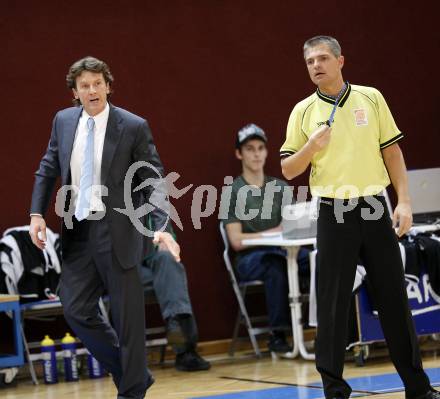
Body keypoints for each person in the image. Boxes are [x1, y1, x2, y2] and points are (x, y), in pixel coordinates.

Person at [280, 35, 439, 399]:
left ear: (340, 61)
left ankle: (417, 387)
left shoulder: (372, 97)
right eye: (309, 61)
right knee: (333, 304)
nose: (316, 66)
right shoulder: (302, 111)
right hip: (333, 211)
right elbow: (289, 169)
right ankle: (335, 390)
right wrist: (311, 146)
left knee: (394, 299)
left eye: (322, 58)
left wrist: (405, 201)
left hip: (374, 206)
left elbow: (393, 152)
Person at [29, 56, 179, 399]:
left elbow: (154, 181)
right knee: (75, 307)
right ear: (75, 92)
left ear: (108, 86)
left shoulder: (133, 126)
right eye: (85, 85)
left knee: (128, 322)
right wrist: (37, 214)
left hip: (120, 231)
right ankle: (134, 374)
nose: (92, 90)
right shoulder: (63, 122)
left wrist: (161, 225)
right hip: (79, 231)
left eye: (98, 83)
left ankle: (131, 391)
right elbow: (47, 167)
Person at [224, 123, 309, 353]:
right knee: (276, 266)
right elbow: (236, 241)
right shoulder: (231, 192)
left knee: (318, 261)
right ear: (239, 153)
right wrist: (271, 233)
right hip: (251, 258)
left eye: (261, 148)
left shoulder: (280, 187)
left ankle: (333, 327)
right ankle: (278, 334)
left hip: (286, 250)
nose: (256, 154)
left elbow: (294, 229)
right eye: (250, 148)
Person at [138, 220, 211, 372]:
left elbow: (169, 242)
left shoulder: (153, 206)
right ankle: (185, 350)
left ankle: (181, 346)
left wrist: (166, 245)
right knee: (171, 282)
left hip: (154, 263)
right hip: (126, 269)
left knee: (167, 260)